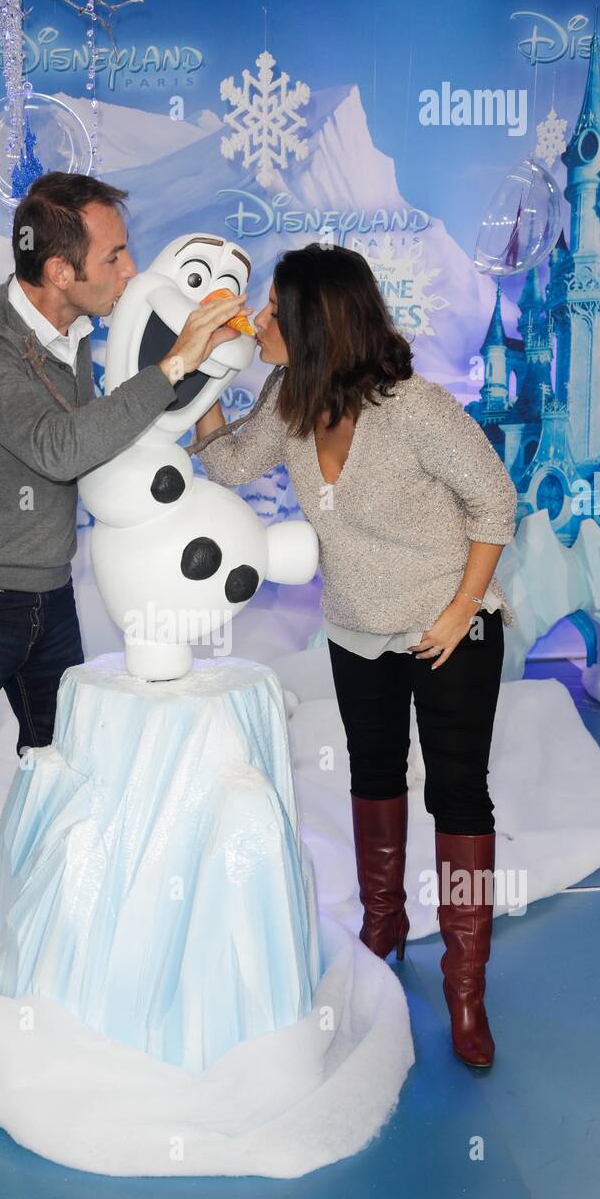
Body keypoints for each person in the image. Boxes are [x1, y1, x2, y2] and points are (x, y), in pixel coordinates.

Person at [0, 171, 247, 1082]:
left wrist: (203, 390)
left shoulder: (85, 335)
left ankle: (63, 961)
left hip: (48, 597)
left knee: (76, 784)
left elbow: (130, 422)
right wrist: (172, 365)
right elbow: (60, 449)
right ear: (58, 269)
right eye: (114, 255)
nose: (130, 269)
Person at [189, 242, 518, 1070]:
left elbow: (494, 502)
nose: (259, 322)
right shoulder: (289, 401)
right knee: (372, 773)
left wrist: (461, 607)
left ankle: (467, 986)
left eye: (272, 313)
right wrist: (204, 381)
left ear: (313, 324)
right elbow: (227, 462)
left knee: (459, 795)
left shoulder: (415, 408)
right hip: (354, 627)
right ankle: (383, 922)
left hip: (450, 631)